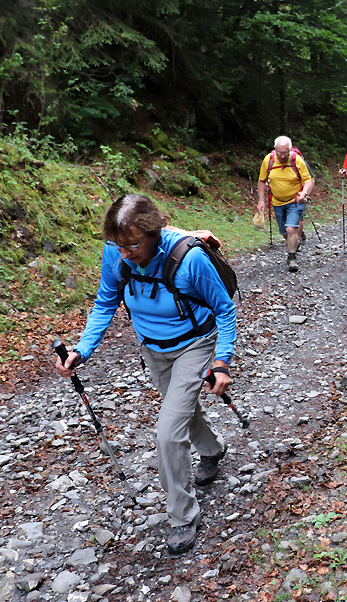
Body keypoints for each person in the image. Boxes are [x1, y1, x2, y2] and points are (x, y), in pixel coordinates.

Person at [53, 194, 236, 556]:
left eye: (133, 245)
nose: (124, 254)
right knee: (181, 409)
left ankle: (182, 516)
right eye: (118, 246)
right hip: (152, 348)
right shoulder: (116, 252)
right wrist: (82, 349)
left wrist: (221, 362)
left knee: (168, 432)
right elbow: (105, 301)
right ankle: (212, 451)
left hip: (195, 343)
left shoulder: (190, 259)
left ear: (155, 232)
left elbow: (225, 311)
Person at [257, 136, 315, 272]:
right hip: (277, 202)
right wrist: (261, 200)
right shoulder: (268, 160)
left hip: (294, 201)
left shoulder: (296, 160)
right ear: (275, 150)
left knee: (290, 229)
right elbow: (261, 180)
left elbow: (308, 180)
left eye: (285, 153)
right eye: (279, 153)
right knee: (284, 231)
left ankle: (292, 258)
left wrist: (304, 193)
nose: (282, 156)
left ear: (290, 150)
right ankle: (294, 242)